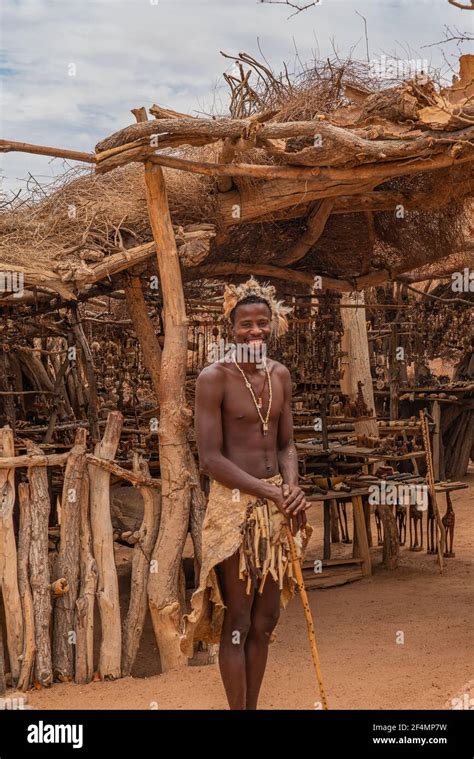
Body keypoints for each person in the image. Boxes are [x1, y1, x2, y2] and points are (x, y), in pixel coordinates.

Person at [180, 277, 312, 709]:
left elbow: (286, 443)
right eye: (245, 325)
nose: (255, 333)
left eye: (262, 324)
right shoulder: (212, 379)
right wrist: (268, 493)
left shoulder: (281, 376)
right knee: (237, 619)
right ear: (230, 328)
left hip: (276, 505)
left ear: (273, 325)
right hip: (233, 509)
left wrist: (290, 487)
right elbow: (210, 459)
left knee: (265, 618)